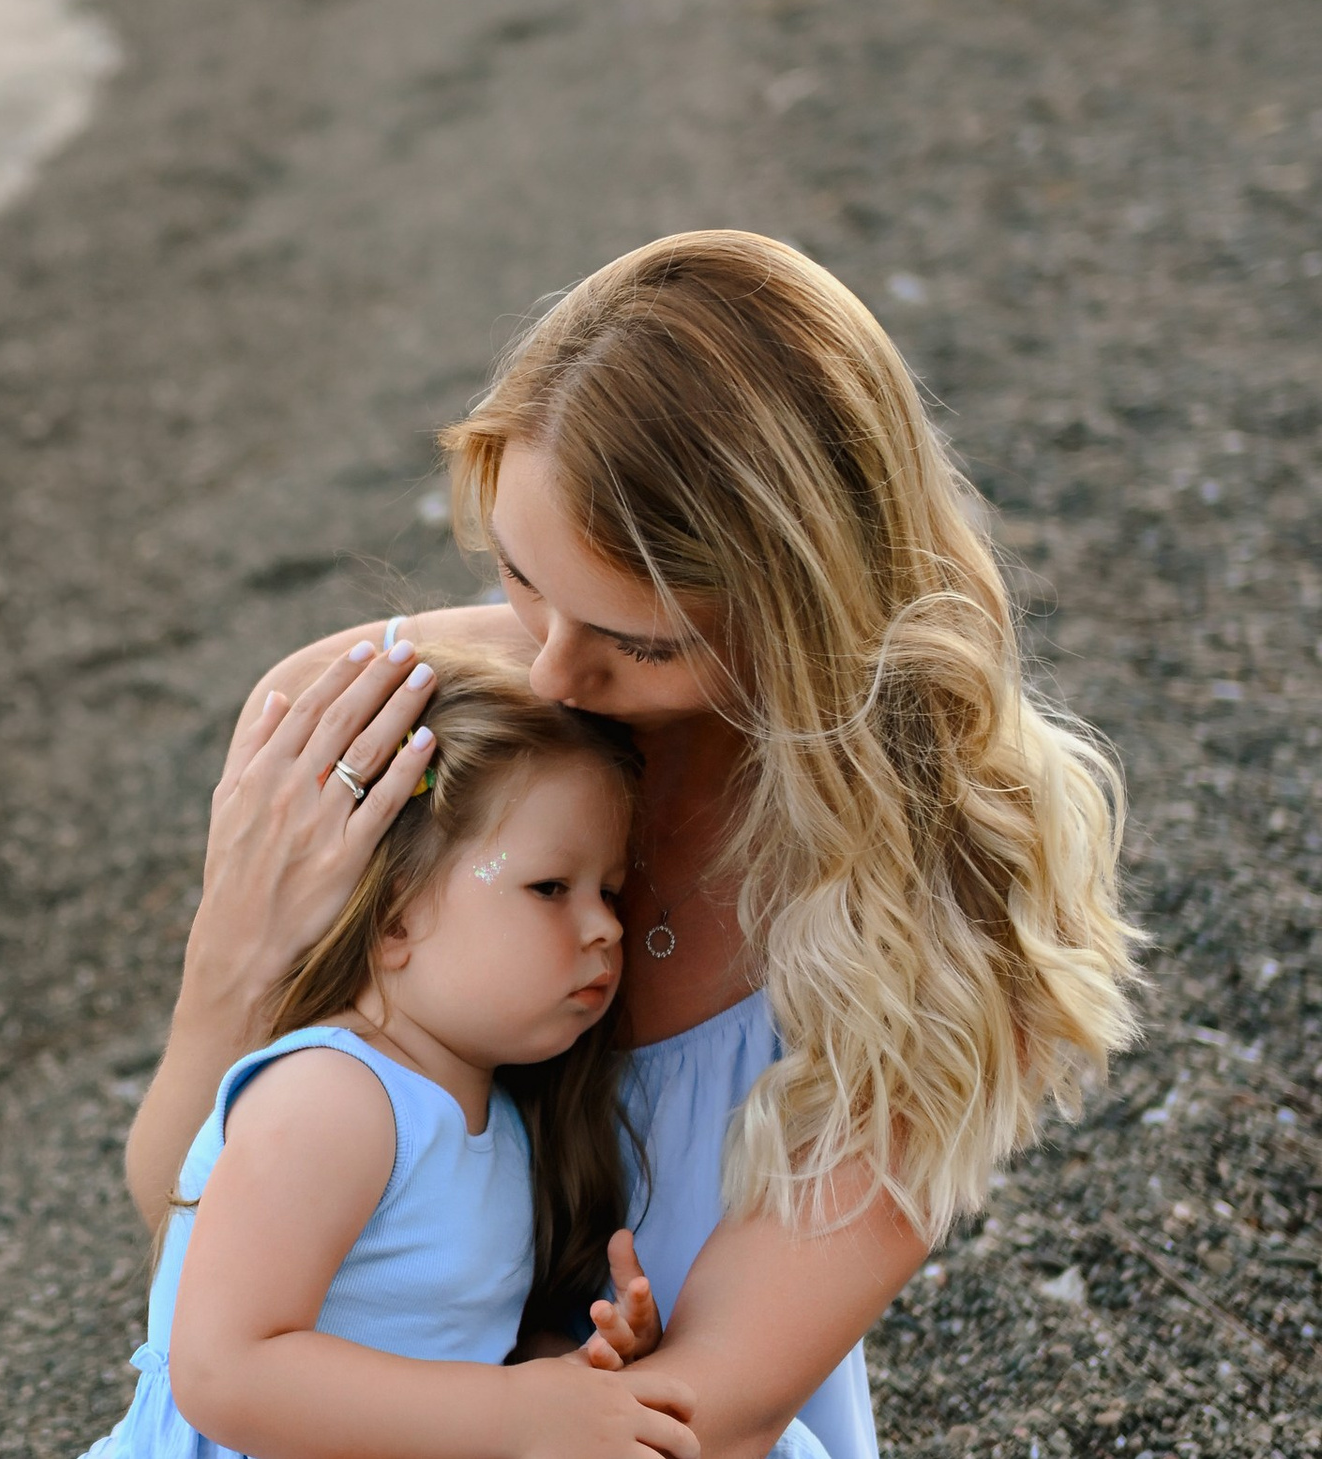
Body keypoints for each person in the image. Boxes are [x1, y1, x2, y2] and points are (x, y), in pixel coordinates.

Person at [124, 231, 1141, 1459]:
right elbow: (182, 1217)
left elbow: (713, 1408)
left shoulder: (943, 898)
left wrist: (565, 1377)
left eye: (641, 641)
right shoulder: (374, 731)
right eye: (517, 576)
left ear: (805, 613)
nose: (551, 669)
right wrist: (232, 957)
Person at [88, 647, 690, 1459]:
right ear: (396, 913)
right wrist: (515, 1411)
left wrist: (572, 1373)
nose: (606, 927)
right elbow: (225, 1371)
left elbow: (431, 1365)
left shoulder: (495, 1115)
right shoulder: (330, 1096)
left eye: (609, 891)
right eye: (551, 887)